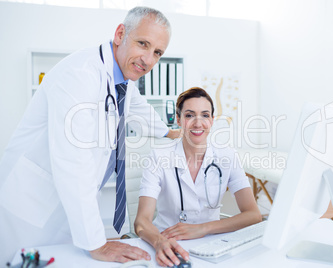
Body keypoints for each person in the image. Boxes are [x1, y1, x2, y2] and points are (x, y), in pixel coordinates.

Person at [0, 6, 180, 265]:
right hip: (30, 205)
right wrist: (97, 243)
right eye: (143, 44)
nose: (149, 60)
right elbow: (74, 162)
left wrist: (172, 133)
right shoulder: (79, 75)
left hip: (65, 208)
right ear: (120, 34)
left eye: (157, 53)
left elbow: (139, 108)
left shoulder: (123, 79)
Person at [134, 87, 262, 267]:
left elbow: (253, 215)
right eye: (189, 115)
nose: (198, 123)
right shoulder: (158, 157)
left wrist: (203, 228)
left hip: (212, 245)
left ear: (212, 120)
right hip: (168, 243)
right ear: (178, 120)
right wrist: (159, 242)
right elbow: (141, 221)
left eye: (205, 115)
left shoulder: (227, 156)